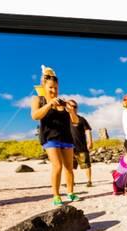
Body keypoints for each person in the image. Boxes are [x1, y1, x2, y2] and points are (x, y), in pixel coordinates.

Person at [30, 66, 80, 206]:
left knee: (69, 168)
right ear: (44, 86)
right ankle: (56, 195)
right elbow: (34, 116)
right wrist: (49, 105)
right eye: (51, 87)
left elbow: (75, 122)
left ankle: (70, 193)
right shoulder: (38, 99)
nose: (53, 90)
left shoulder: (62, 102)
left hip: (66, 138)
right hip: (50, 138)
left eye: (56, 88)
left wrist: (71, 111)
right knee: (57, 166)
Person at [67, 99, 94, 187]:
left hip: (81, 146)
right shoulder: (64, 120)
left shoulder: (81, 119)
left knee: (86, 164)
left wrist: (90, 142)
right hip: (68, 147)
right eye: (70, 106)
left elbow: (87, 131)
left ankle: (89, 181)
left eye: (75, 106)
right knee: (69, 166)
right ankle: (71, 182)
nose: (72, 108)